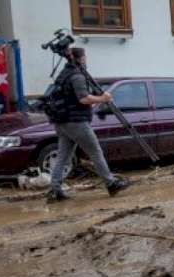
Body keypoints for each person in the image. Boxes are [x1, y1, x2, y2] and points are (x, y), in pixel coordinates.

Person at [45, 48, 129, 203]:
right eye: (84, 57)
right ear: (80, 59)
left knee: (63, 156)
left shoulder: (63, 74)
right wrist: (103, 98)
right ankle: (111, 184)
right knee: (95, 152)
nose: (86, 60)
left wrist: (91, 103)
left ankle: (55, 190)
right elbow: (83, 99)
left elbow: (71, 99)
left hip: (62, 122)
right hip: (76, 123)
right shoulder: (77, 76)